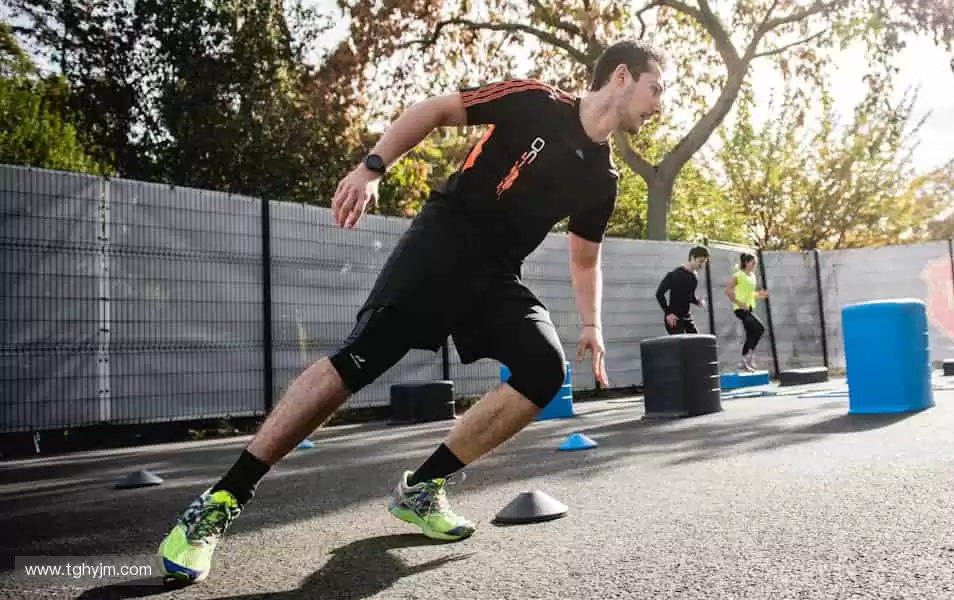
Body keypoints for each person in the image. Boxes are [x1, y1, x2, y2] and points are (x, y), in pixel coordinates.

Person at [156, 39, 667, 584]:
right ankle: (219, 501)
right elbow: (436, 109)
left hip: (494, 276)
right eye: (655, 89)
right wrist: (373, 167)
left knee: (545, 369)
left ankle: (422, 488)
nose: (659, 105)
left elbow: (586, 261)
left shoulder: (603, 180)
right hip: (443, 242)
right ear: (620, 76)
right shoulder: (536, 100)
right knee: (360, 359)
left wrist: (591, 324)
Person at [724, 252, 768, 371]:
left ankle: (744, 361)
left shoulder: (752, 276)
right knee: (760, 328)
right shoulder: (738, 275)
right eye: (753, 263)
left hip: (749, 308)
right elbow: (727, 291)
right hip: (740, 310)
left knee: (751, 334)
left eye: (756, 263)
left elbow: (750, 294)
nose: (755, 265)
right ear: (746, 262)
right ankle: (747, 357)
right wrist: (739, 303)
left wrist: (759, 295)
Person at [655, 246, 709, 334]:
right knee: (681, 346)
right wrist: (668, 313)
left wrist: (697, 301)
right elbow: (659, 294)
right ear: (692, 258)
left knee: (697, 343)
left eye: (704, 262)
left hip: (687, 318)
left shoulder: (694, 277)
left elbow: (688, 296)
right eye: (700, 261)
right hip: (674, 318)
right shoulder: (674, 275)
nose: (702, 265)